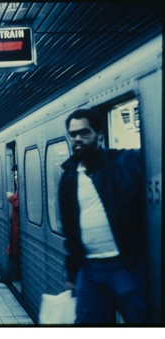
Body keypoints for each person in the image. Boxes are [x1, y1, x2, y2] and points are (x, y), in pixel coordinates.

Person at [59, 108, 146, 324]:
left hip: (123, 266)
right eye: (73, 134)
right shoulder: (68, 178)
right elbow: (70, 231)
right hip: (89, 270)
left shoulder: (122, 163)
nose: (77, 138)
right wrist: (72, 275)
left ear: (99, 134)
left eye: (84, 133)